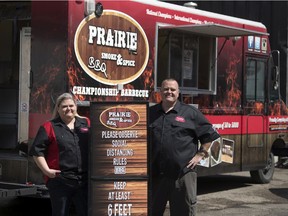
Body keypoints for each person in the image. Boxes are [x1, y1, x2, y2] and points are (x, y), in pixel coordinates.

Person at [149, 78, 220, 216]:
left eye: (172, 89)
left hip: (183, 175)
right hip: (156, 176)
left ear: (178, 92)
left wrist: (201, 154)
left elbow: (209, 135)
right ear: (160, 92)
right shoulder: (150, 113)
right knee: (151, 212)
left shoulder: (190, 113)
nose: (169, 92)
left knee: (184, 212)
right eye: (166, 89)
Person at [29, 93, 90, 216]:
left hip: (83, 181)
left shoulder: (86, 123)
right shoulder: (49, 127)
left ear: (76, 107)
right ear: (58, 108)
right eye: (64, 106)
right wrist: (46, 171)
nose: (69, 109)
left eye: (71, 105)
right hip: (60, 181)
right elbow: (37, 151)